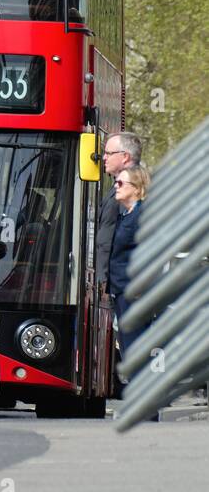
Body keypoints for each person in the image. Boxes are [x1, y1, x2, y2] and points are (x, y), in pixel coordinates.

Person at [109, 164, 150, 360]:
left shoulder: (142, 217)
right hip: (121, 291)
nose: (116, 186)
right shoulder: (125, 215)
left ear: (136, 187)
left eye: (120, 182)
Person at [96, 131, 142, 297]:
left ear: (125, 157)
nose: (104, 158)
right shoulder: (119, 185)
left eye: (109, 153)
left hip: (122, 285)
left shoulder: (130, 188)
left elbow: (126, 235)